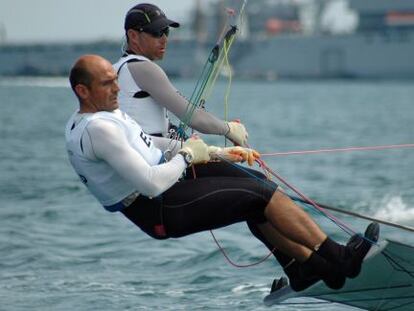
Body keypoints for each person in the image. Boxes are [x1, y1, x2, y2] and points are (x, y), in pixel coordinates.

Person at [66, 54, 379, 292]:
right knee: (261, 195)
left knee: (255, 188)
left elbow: (146, 143)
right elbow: (150, 183)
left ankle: (308, 267)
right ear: (83, 90)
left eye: (114, 79)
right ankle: (339, 259)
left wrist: (214, 151)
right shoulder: (99, 130)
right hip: (159, 209)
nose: (117, 87)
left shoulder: (104, 115)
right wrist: (189, 155)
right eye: (107, 83)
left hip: (167, 190)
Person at [113, 3, 248, 146]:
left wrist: (216, 152)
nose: (164, 39)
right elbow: (193, 118)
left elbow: (155, 125)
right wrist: (229, 129)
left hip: (148, 153)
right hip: (151, 159)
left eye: (166, 32)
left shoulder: (115, 69)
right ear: (133, 36)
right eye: (156, 32)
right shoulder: (144, 68)